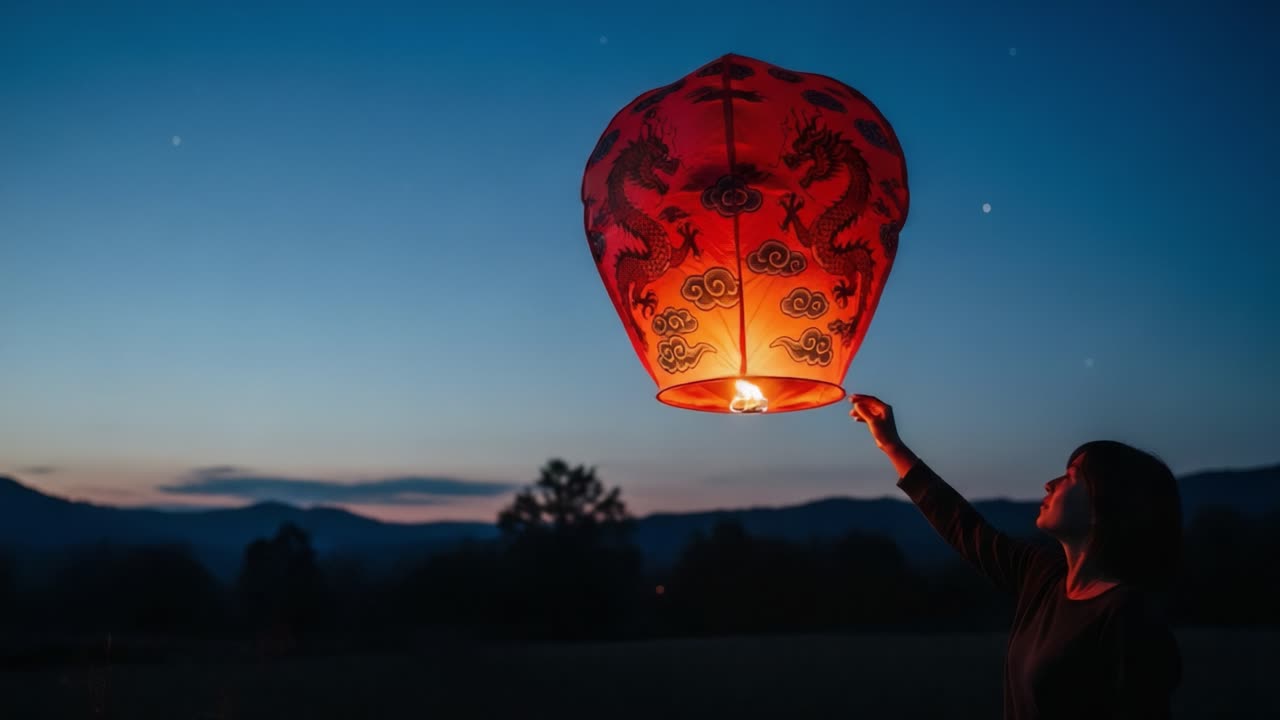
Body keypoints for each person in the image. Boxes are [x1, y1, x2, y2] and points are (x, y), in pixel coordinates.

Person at [848, 394, 1182, 719]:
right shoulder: (1043, 577)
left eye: (1070, 477)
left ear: (1104, 506)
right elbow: (963, 526)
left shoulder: (1127, 618)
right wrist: (892, 445)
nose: (1050, 483)